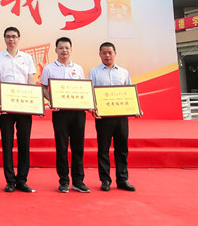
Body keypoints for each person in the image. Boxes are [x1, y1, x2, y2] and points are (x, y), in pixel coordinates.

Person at [0, 26, 39, 193]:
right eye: (8, 36)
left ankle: (22, 180)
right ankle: (10, 180)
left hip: (24, 106)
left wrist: (33, 102)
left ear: (19, 38)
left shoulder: (27, 58)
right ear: (4, 39)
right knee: (7, 143)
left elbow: (30, 80)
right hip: (6, 108)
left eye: (14, 36)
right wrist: (0, 101)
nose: (11, 39)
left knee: (24, 143)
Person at [41, 37, 90, 194]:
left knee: (78, 147)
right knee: (61, 147)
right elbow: (43, 88)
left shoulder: (79, 68)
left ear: (71, 50)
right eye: (61, 48)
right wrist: (52, 101)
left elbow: (83, 89)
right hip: (60, 113)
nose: (64, 50)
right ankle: (63, 181)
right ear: (56, 50)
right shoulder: (49, 69)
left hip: (78, 113)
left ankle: (78, 181)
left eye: (67, 48)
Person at [90, 41, 136, 192]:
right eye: (104, 53)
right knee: (103, 149)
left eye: (110, 52)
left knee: (122, 148)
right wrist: (93, 108)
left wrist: (135, 109)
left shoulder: (123, 72)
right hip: (103, 117)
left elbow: (129, 93)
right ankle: (105, 180)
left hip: (121, 117)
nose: (107, 55)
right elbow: (91, 93)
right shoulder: (94, 72)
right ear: (99, 54)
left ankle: (122, 179)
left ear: (115, 53)